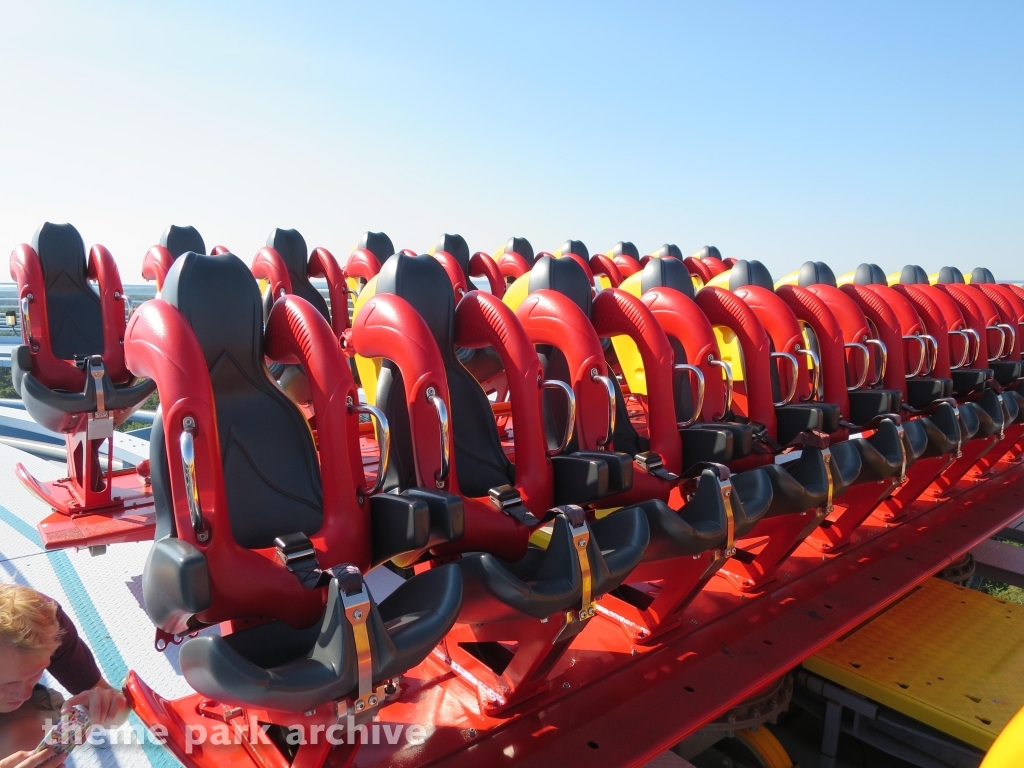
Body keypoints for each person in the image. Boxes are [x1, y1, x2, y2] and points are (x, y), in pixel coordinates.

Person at [0, 584, 128, 764]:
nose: (25, 693)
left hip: (24, 722)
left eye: (34, 674)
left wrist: (102, 708)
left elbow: (115, 715)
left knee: (28, 741)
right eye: (5, 684)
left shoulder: (42, 622)